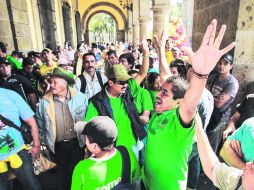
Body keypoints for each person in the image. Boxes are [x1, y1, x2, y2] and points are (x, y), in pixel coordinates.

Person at [142, 19, 236, 189]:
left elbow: (190, 105)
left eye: (164, 93)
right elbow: (165, 76)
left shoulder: (179, 120)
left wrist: (201, 74)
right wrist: (160, 49)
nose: (158, 94)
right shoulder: (162, 109)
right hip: (147, 183)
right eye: (160, 90)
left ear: (179, 102)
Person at [85, 38, 149, 159]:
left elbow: (142, 74)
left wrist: (145, 53)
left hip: (132, 146)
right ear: (110, 82)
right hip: (110, 151)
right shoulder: (96, 102)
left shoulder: (127, 91)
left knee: (134, 177)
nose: (125, 85)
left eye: (126, 82)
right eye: (121, 82)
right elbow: (90, 129)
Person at [36, 67, 88, 190]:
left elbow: (87, 120)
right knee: (63, 175)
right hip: (58, 146)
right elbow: (40, 126)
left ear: (65, 83)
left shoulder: (80, 98)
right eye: (51, 82)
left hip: (78, 143)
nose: (51, 85)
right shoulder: (44, 102)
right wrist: (46, 144)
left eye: (55, 82)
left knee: (79, 171)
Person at [71, 116, 141, 190]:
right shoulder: (126, 153)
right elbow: (136, 181)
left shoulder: (82, 168)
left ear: (95, 146)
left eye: (87, 138)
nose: (85, 139)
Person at [195, 112, 254, 190]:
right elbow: (212, 168)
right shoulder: (237, 180)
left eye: (253, 166)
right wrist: (197, 122)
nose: (247, 164)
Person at [0, 88, 41, 190]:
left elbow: (31, 121)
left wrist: (36, 145)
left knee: (32, 186)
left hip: (19, 152)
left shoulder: (10, 95)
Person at [206, 53, 239, 153]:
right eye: (220, 63)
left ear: (231, 66)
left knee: (211, 149)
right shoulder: (212, 78)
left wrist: (208, 96)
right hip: (208, 114)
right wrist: (214, 97)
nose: (221, 66)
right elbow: (202, 93)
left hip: (220, 119)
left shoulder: (231, 83)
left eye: (225, 63)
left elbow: (219, 104)